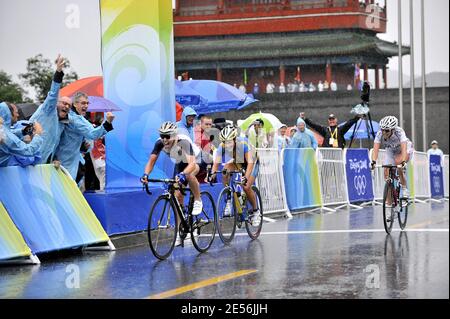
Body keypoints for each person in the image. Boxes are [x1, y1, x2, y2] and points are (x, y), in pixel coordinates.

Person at [141, 121, 204, 217]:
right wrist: (146, 175)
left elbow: (192, 163)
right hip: (180, 162)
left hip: (197, 158)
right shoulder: (159, 143)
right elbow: (151, 162)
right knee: (176, 197)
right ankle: (180, 229)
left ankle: (198, 200)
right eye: (162, 136)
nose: (165, 140)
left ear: (175, 135)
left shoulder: (183, 142)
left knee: (189, 175)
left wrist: (183, 174)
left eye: (168, 136)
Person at [54, 92, 115, 180]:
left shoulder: (79, 118)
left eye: (87, 103)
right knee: (66, 189)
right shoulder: (73, 118)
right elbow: (93, 134)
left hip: (74, 160)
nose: (86, 106)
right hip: (64, 161)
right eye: (83, 103)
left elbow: (89, 136)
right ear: (74, 104)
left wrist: (83, 147)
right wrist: (107, 122)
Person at [210, 126, 260, 223]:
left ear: (234, 139)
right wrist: (211, 175)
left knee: (246, 186)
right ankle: (229, 197)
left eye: (229, 142)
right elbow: (216, 164)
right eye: (225, 142)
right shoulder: (222, 146)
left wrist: (245, 177)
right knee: (225, 171)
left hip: (252, 162)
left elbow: (250, 163)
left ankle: (255, 211)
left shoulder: (243, 144)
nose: (227, 145)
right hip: (238, 161)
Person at [26, 55, 68, 164]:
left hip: (42, 164)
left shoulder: (62, 123)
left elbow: (53, 145)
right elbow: (53, 94)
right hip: (28, 159)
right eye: (64, 103)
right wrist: (58, 73)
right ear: (57, 104)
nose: (67, 107)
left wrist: (54, 159)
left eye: (69, 105)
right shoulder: (48, 108)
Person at [371, 116, 414, 200]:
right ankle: (390, 201)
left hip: (404, 149)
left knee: (398, 163)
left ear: (393, 129)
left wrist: (403, 161)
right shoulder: (379, 133)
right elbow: (375, 148)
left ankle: (404, 189)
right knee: (386, 171)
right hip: (391, 149)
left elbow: (404, 147)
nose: (384, 132)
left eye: (387, 130)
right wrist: (373, 161)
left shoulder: (399, 132)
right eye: (382, 129)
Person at [0, 102, 44, 167]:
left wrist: (23, 131)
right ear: (9, 114)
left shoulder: (3, 130)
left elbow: (10, 133)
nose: (18, 115)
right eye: (16, 112)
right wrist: (38, 134)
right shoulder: (4, 134)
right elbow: (28, 151)